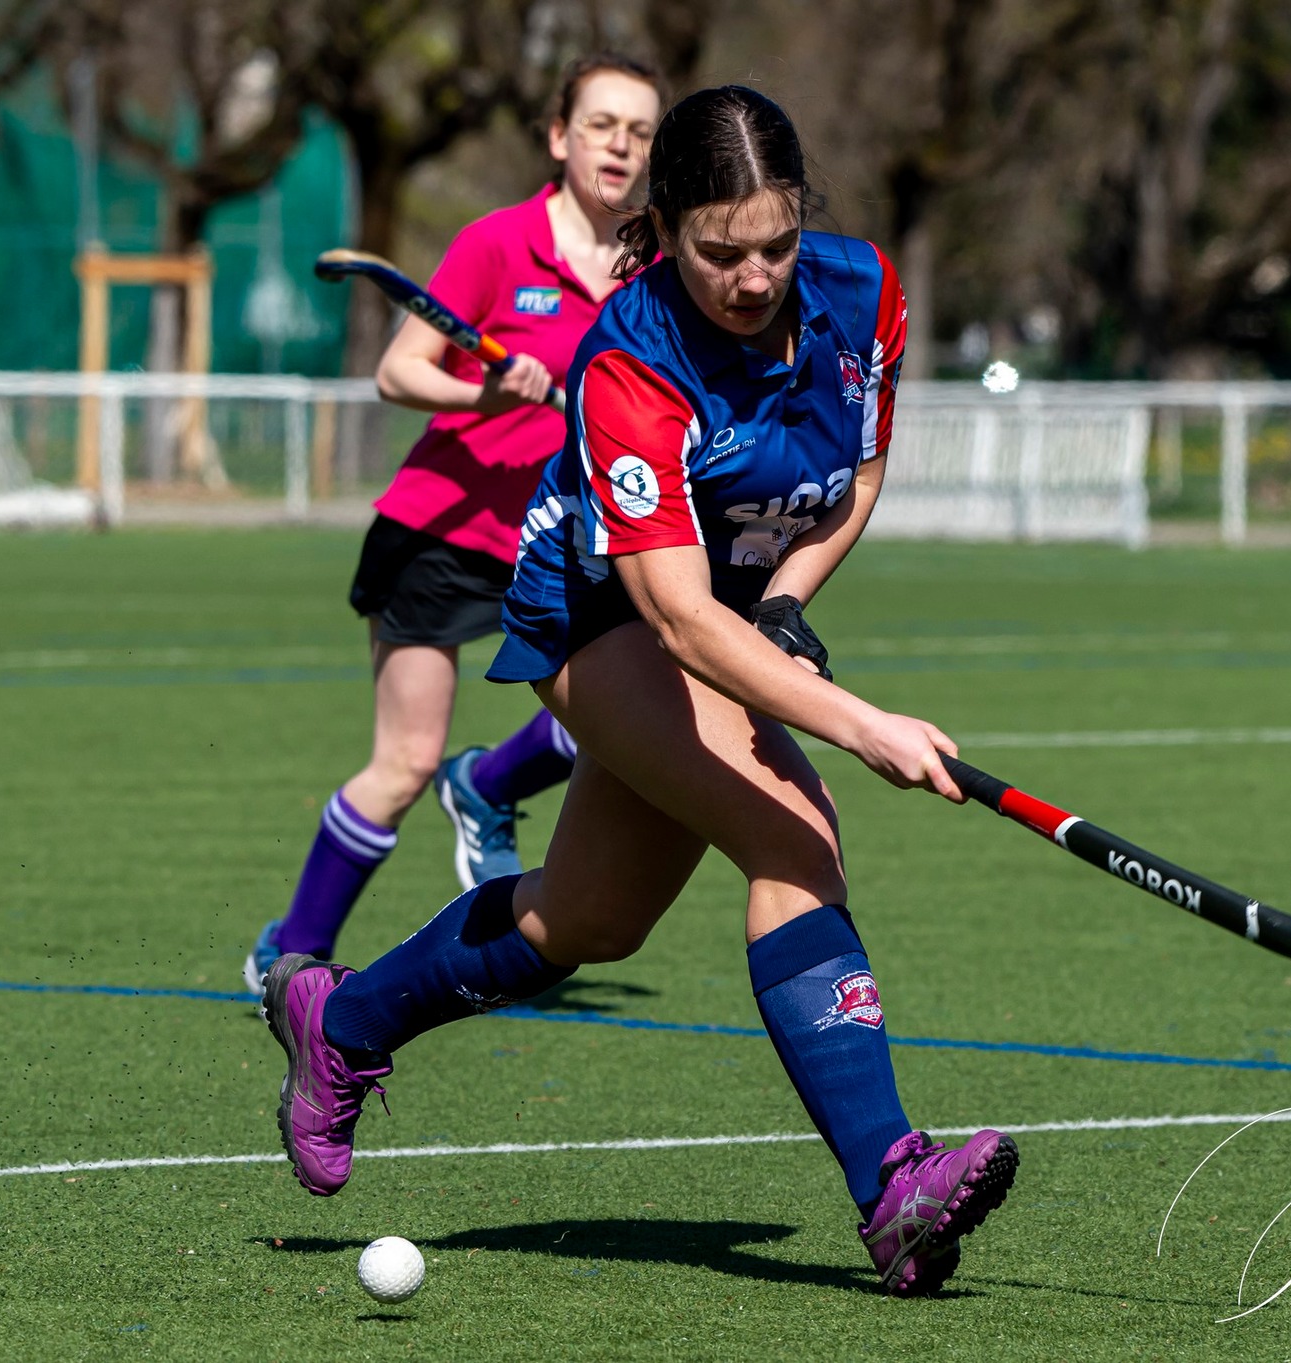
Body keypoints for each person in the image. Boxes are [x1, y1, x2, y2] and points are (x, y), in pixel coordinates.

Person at [260, 85, 1020, 1297]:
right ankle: (892, 1185)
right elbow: (671, 614)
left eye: (775, 243)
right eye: (720, 252)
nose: (754, 276)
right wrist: (858, 723)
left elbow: (856, 479)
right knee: (793, 830)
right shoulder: (630, 357)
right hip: (599, 612)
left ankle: (337, 1024)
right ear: (663, 227)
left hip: (730, 611)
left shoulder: (860, 289)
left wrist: (787, 603)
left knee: (587, 922)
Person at [243, 54, 664, 996]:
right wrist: (487, 387)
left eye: (638, 132)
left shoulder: (657, 266)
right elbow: (400, 374)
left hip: (562, 539)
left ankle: (490, 786)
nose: (620, 147)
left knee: (637, 717)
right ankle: (290, 951)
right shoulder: (498, 244)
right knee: (403, 761)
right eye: (602, 125)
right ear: (560, 137)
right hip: (445, 530)